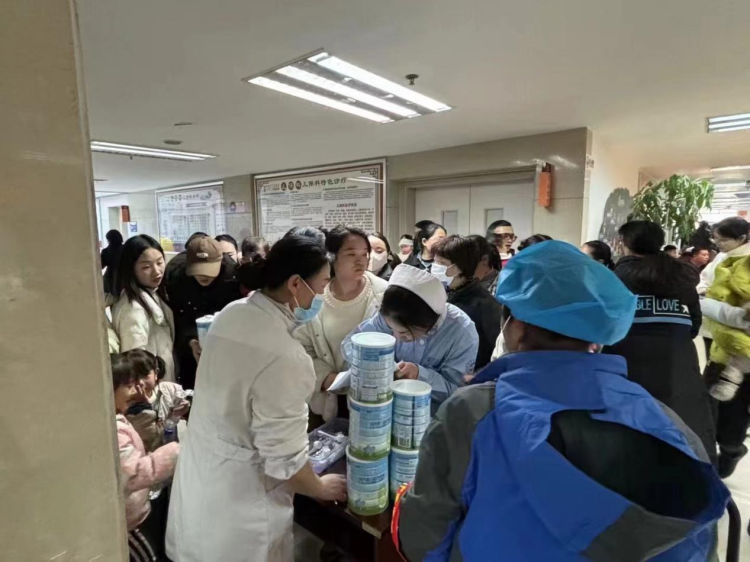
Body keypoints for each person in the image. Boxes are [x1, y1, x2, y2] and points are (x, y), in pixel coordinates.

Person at [393, 240, 729, 562]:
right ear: (599, 333)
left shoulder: (474, 414)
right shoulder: (669, 424)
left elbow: (423, 541)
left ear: (516, 326)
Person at [166, 235, 347, 562]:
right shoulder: (285, 356)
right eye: (322, 285)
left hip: (202, 479)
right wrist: (321, 488)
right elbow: (285, 461)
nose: (324, 295)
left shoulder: (232, 313)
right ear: (296, 284)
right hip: (242, 509)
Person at [603, 221, 716, 463]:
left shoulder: (616, 277)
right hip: (678, 359)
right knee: (683, 419)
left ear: (625, 243)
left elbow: (604, 321)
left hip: (627, 358)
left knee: (630, 424)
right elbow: (694, 324)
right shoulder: (681, 275)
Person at [343, 264, 478, 408]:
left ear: (427, 323)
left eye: (404, 333)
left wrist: (420, 375)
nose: (396, 337)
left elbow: (456, 391)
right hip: (384, 406)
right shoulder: (389, 314)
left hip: (431, 414)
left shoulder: (462, 333)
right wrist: (374, 362)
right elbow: (350, 344)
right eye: (391, 329)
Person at [294, 226, 388, 423]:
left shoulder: (383, 293)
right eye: (351, 254)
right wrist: (324, 377)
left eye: (365, 254)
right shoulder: (314, 296)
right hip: (324, 398)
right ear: (332, 257)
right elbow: (300, 347)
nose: (361, 261)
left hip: (371, 400)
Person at [112, 352, 179, 562]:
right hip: (129, 522)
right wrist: (172, 454)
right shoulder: (115, 428)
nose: (136, 389)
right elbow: (133, 472)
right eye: (128, 385)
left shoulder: (120, 416)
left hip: (138, 510)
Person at [701, 217, 750, 476]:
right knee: (711, 396)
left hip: (741, 349)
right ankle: (715, 450)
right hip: (719, 338)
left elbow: (744, 316)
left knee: (733, 405)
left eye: (722, 239)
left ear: (742, 238)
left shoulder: (744, 262)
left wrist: (707, 305)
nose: (717, 244)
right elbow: (707, 284)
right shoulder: (725, 259)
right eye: (715, 239)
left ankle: (730, 450)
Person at [165, 236, 241, 389]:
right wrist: (191, 341)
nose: (204, 275)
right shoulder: (177, 276)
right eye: (198, 270)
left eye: (209, 270)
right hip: (191, 354)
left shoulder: (232, 277)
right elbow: (178, 318)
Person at [432, 236, 503, 371]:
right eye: (434, 261)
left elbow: (490, 349)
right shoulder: (442, 292)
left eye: (441, 263)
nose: (435, 267)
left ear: (458, 268)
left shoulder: (484, 305)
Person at [112, 235, 176, 381]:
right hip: (150, 387)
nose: (157, 271)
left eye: (159, 262)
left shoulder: (153, 293)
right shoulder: (133, 309)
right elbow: (135, 363)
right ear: (131, 269)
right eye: (146, 267)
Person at [125, 349, 190, 452]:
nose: (140, 382)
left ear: (156, 373)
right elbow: (148, 435)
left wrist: (186, 407)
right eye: (134, 377)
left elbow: (187, 397)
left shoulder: (168, 389)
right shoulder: (126, 403)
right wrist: (142, 406)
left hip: (171, 450)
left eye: (145, 375)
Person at [101, 229, 124, 296]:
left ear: (108, 239)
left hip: (110, 278)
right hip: (125, 276)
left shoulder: (106, 251)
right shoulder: (126, 249)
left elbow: (101, 266)